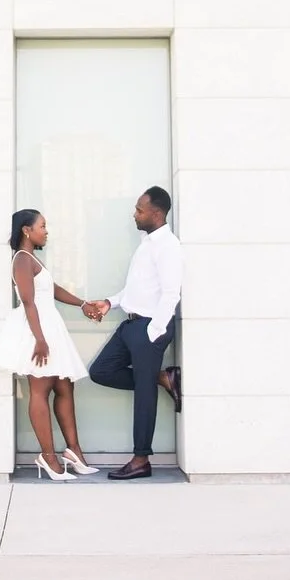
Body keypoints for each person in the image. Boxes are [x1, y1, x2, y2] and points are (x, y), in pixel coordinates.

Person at [0, 209, 102, 481]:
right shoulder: (22, 260)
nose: (46, 230)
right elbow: (28, 301)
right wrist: (39, 339)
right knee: (40, 388)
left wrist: (83, 304)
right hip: (37, 329)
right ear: (27, 230)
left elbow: (53, 291)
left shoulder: (32, 259)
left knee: (64, 386)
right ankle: (48, 458)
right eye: (42, 226)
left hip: (50, 326)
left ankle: (73, 451)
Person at [83, 186, 184, 481]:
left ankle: (141, 459)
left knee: (143, 394)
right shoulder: (146, 244)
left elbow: (170, 294)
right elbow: (137, 290)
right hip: (131, 324)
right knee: (101, 371)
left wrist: (154, 332)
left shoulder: (168, 246)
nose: (134, 214)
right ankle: (163, 378)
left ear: (156, 213)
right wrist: (110, 302)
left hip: (150, 327)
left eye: (139, 210)